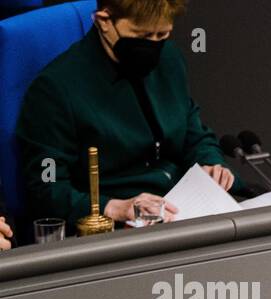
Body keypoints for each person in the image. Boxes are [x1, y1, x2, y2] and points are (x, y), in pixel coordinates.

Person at [15, 0, 236, 232]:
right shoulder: (54, 88)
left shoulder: (169, 59)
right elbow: (47, 186)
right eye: (142, 36)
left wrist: (211, 162)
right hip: (119, 221)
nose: (153, 46)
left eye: (162, 35)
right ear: (104, 21)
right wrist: (113, 208)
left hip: (183, 205)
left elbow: (194, 131)